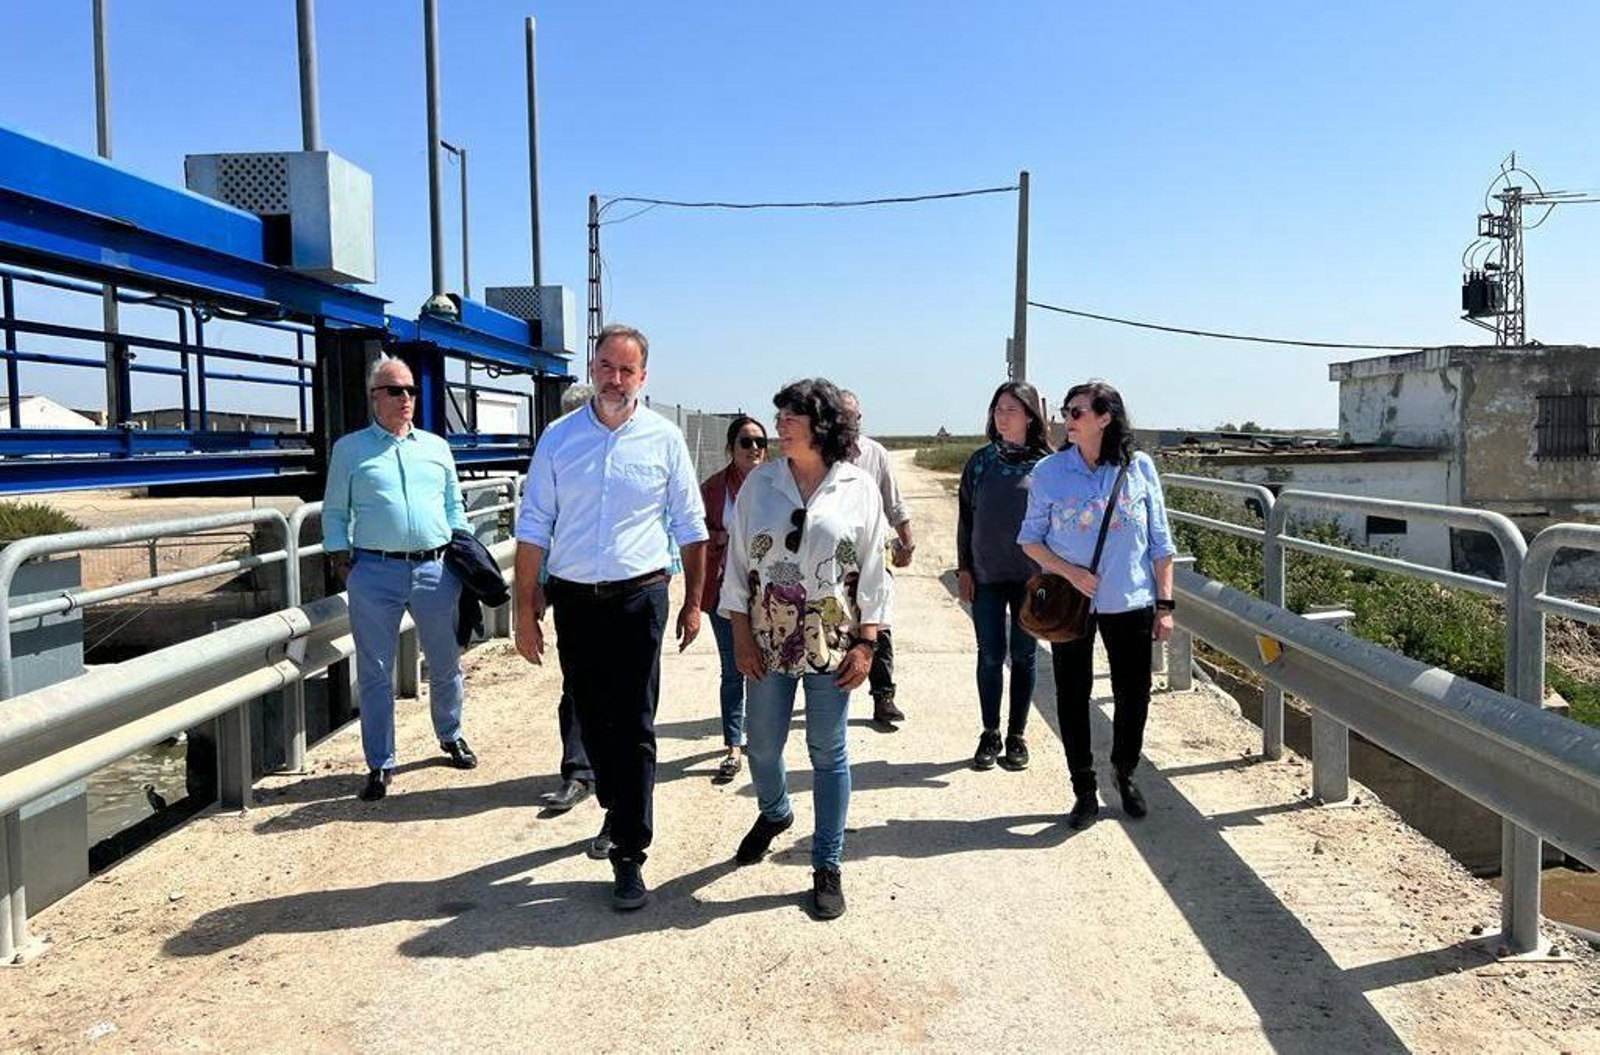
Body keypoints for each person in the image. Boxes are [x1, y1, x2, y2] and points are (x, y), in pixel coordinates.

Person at [513, 324, 708, 911]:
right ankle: (616, 805)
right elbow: (532, 526)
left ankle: (629, 853)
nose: (614, 379)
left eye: (626, 370)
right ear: (591, 369)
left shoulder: (665, 440)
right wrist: (526, 609)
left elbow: (691, 528)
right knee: (592, 718)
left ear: (643, 377)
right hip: (574, 599)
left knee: (635, 722)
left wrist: (693, 602)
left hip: (639, 596)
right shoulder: (558, 438)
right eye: (605, 367)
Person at [721, 379, 889, 920]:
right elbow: (738, 563)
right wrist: (741, 632)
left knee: (827, 749)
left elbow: (873, 573)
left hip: (832, 639)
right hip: (768, 635)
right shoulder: (760, 484)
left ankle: (826, 863)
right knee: (764, 747)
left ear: (821, 424)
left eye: (791, 415)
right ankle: (774, 813)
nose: (780, 424)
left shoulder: (858, 486)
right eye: (780, 414)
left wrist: (867, 644)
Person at [1018, 380, 1176, 830]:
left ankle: (1124, 770)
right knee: (1072, 694)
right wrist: (1071, 574)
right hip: (1073, 603)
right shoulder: (1050, 471)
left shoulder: (1139, 467)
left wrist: (1164, 605)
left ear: (1105, 418)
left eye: (1077, 412)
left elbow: (1161, 544)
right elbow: (1029, 539)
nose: (1067, 419)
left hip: (1131, 601)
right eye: (1066, 412)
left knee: (1134, 694)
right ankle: (1083, 788)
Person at [323, 354, 477, 802]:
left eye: (410, 390)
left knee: (446, 663)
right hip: (374, 571)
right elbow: (335, 511)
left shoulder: (435, 447)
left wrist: (461, 546)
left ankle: (450, 735)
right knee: (373, 672)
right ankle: (379, 762)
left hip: (435, 568)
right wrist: (339, 556)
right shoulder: (350, 450)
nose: (406, 398)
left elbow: (453, 506)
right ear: (374, 397)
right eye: (396, 390)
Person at [956, 381, 1052, 772]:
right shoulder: (980, 462)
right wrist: (964, 567)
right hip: (987, 574)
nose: (1002, 414)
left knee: (1025, 656)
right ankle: (990, 732)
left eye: (1011, 408)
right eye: (998, 407)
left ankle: (1017, 735)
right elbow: (966, 518)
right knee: (990, 654)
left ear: (1030, 415)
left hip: (1032, 578)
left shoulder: (1049, 466)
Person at [538, 383, 599, 820]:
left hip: (628, 589)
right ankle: (579, 770)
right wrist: (536, 590)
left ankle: (612, 772)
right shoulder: (556, 455)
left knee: (622, 687)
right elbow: (538, 525)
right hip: (570, 585)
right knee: (577, 682)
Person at [699, 414, 769, 783]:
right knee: (733, 669)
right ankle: (733, 745)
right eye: (745, 441)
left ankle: (762, 739)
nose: (754, 448)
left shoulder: (778, 484)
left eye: (760, 442)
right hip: (723, 594)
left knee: (764, 670)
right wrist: (721, 539)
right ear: (731, 449)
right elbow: (694, 536)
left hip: (769, 598)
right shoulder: (712, 489)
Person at [839, 390, 914, 726]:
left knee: (878, 622)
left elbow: (893, 503)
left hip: (873, 551)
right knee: (833, 623)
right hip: (832, 558)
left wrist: (906, 544)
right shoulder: (818, 455)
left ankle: (883, 697)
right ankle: (828, 688)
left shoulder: (876, 454)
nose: (848, 424)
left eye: (853, 417)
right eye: (840, 417)